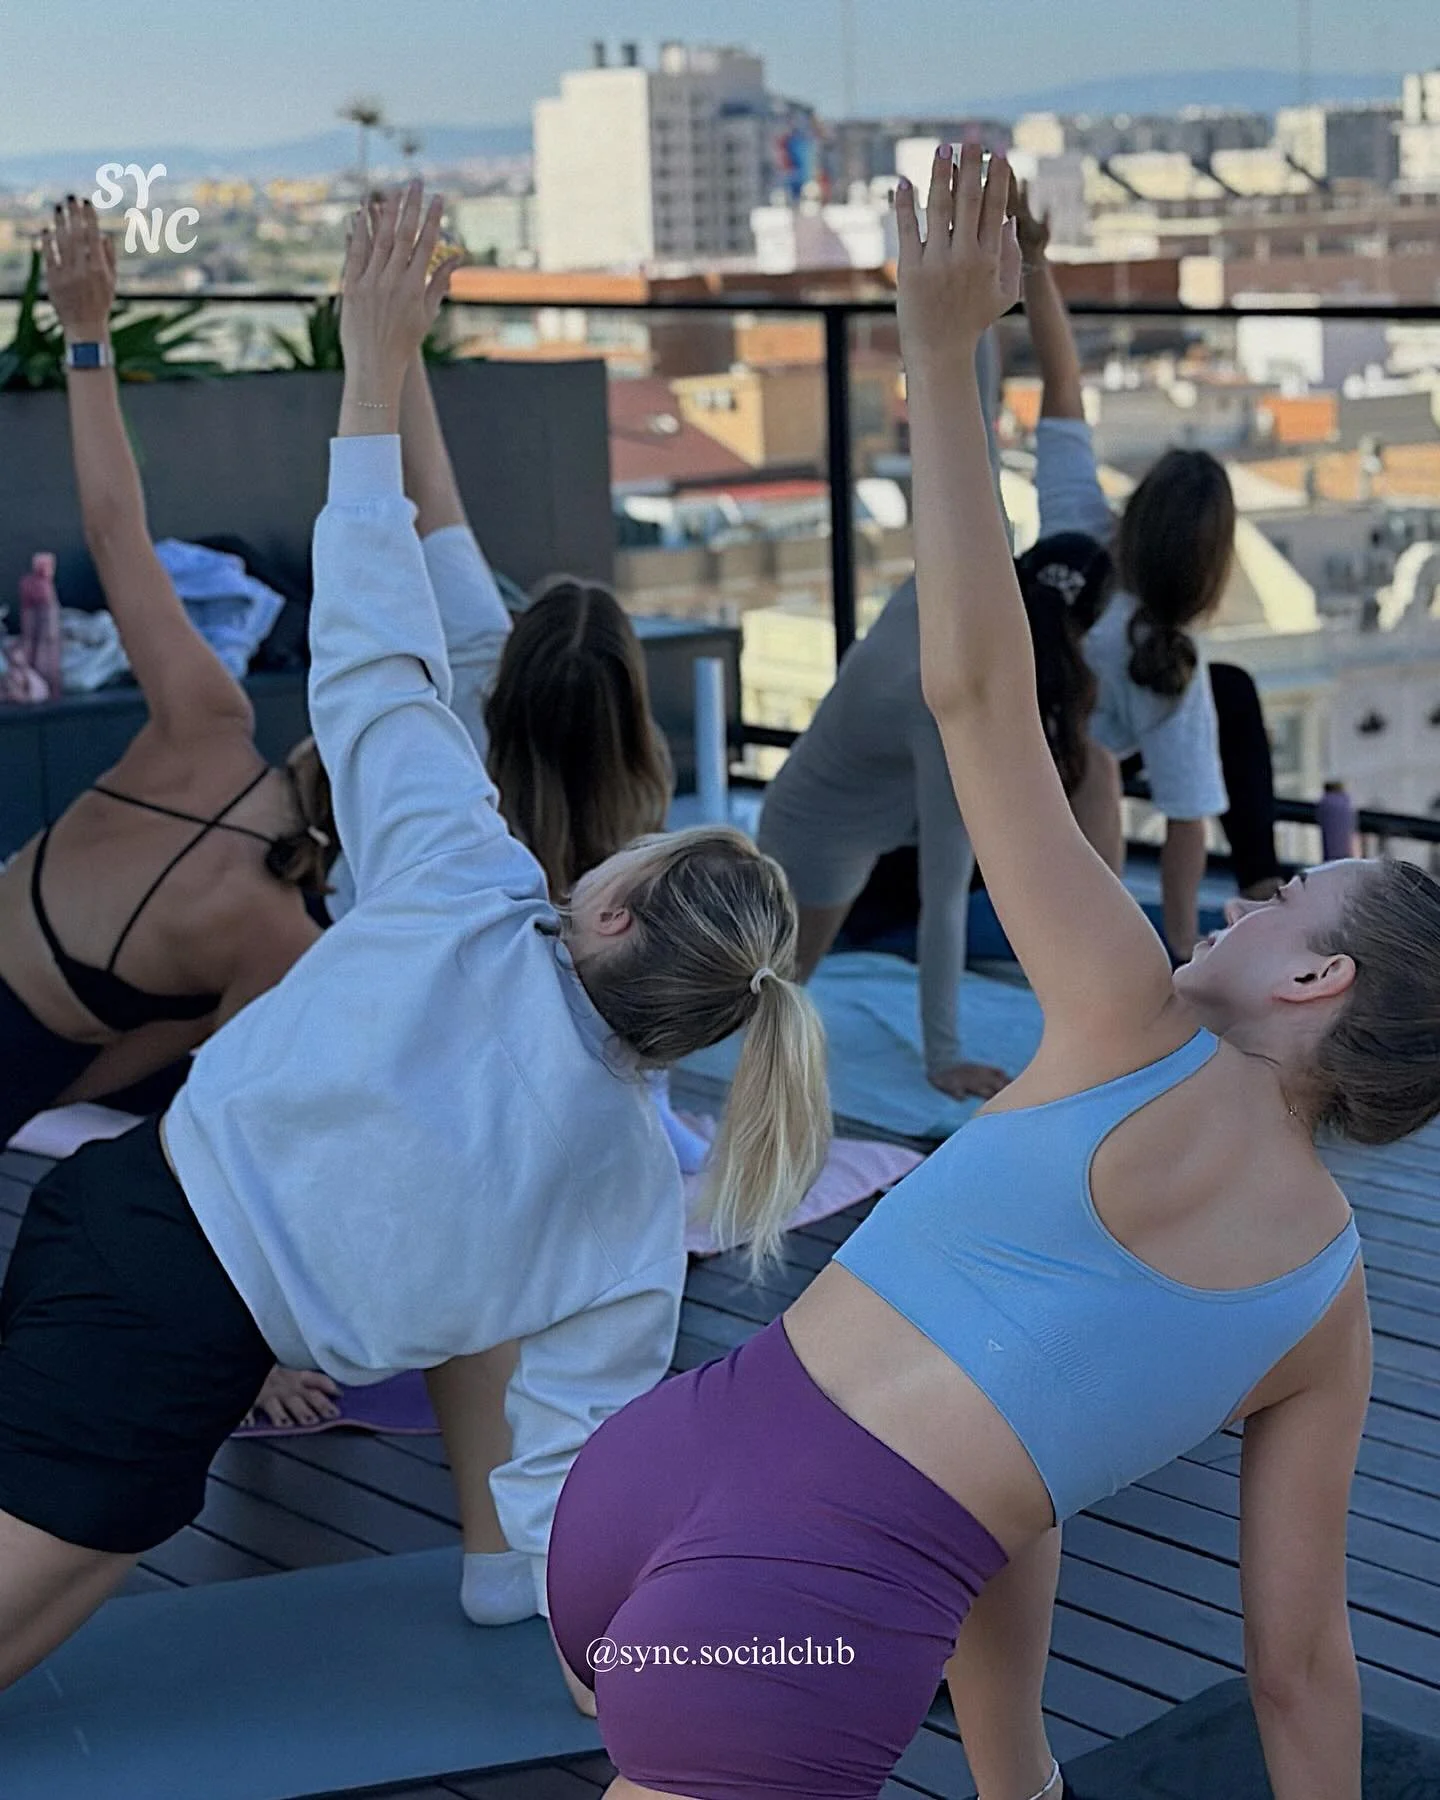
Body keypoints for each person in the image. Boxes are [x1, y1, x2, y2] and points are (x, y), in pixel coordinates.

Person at [545, 145, 1440, 1800]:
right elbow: (1299, 1668)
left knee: (918, 1539)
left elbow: (973, 695)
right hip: (780, 1613)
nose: (1261, 890)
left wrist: (937, 357)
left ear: (1320, 989)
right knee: (955, 1513)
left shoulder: (1115, 1012)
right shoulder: (1329, 1314)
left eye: (1301, 890)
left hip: (646, 1492)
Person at [0, 182, 831, 1693]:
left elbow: (371, 643)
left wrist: (376, 366)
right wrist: (615, 1653)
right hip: (168, 1309)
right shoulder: (633, 1200)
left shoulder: (460, 877)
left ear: (618, 903)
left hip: (139, 1254)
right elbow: (568, 1458)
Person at [0, 199, 332, 1151]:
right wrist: (35, 1105)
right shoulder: (285, 943)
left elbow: (115, 530)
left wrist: (88, 333)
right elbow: (178, 1072)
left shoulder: (206, 722)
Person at [757, 335, 1122, 1103]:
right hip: (819, 836)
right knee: (768, 1009)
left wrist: (976, 321)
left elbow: (973, 433)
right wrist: (943, 1058)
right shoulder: (948, 696)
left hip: (884, 820)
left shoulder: (967, 577)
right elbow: (943, 897)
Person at [1014, 182, 1282, 954]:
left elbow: (1062, 386)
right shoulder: (1166, 662)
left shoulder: (1077, 529)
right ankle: (1263, 883)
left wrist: (1037, 263)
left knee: (1231, 692)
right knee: (1212, 706)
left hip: (1025, 731)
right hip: (1074, 769)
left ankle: (1262, 883)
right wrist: (1176, 952)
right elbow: (1185, 825)